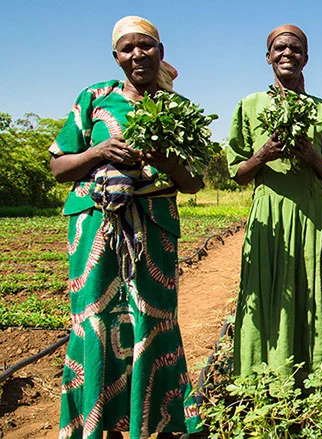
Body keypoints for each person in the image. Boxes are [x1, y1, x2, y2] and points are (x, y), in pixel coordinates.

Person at [49, 16, 203, 439]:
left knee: (152, 319)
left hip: (153, 226)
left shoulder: (178, 109)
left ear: (161, 51)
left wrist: (162, 153)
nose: (137, 54)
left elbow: (193, 181)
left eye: (146, 46)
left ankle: (154, 421)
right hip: (95, 226)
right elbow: (59, 166)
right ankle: (96, 425)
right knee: (95, 320)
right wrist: (99, 151)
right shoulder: (94, 98)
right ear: (116, 56)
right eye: (127, 48)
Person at [226, 24, 322, 382]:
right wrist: (263, 154)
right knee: (269, 291)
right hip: (269, 215)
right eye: (280, 48)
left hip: (315, 215)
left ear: (306, 58)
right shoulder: (249, 106)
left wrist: (313, 157)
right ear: (268, 56)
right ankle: (268, 375)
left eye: (296, 49)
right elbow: (238, 175)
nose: (288, 54)